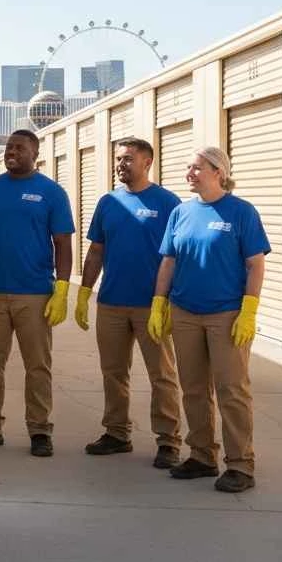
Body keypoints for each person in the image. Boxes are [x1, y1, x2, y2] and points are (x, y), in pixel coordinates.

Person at [148, 146, 270, 493]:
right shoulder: (181, 212)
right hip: (185, 312)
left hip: (226, 314)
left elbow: (255, 263)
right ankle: (202, 456)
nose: (189, 173)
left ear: (219, 172)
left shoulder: (241, 211)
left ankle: (240, 464)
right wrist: (159, 302)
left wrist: (249, 309)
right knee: (193, 388)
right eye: (188, 167)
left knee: (232, 390)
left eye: (197, 167)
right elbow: (169, 260)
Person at [0, 129, 74, 457]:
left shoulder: (51, 193)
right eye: (9, 147)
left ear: (35, 154)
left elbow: (63, 243)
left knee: (38, 365)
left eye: (19, 148)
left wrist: (62, 289)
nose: (12, 152)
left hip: (34, 294)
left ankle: (39, 430)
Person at [77, 138, 183, 468]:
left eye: (127, 159)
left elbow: (178, 256)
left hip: (151, 306)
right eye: (118, 158)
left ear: (147, 162)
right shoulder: (108, 202)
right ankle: (117, 433)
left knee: (162, 375)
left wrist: (168, 301)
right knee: (113, 372)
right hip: (111, 302)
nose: (120, 164)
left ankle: (168, 441)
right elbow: (96, 251)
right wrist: (84, 292)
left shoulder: (168, 203)